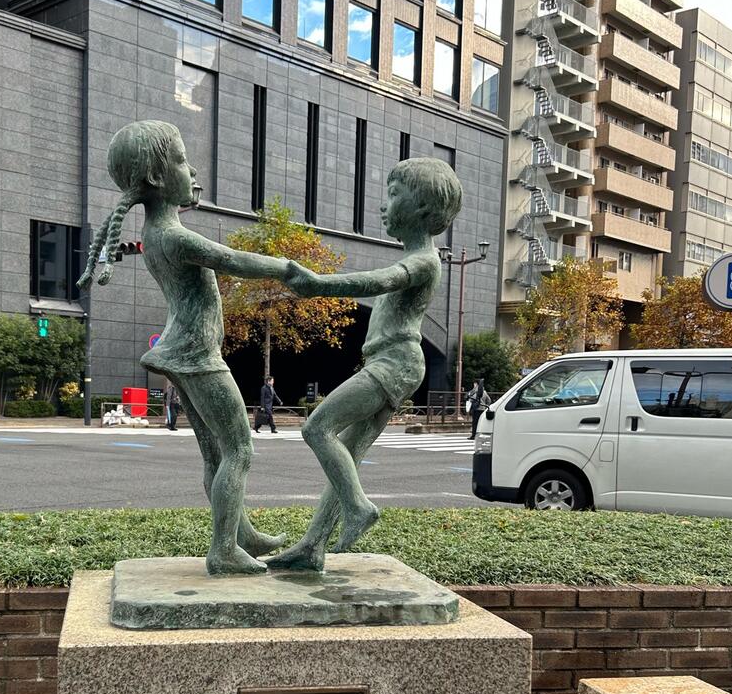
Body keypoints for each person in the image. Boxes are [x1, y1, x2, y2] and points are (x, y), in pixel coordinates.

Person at [78, 120, 300, 575]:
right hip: (198, 355)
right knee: (239, 449)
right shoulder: (174, 236)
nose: (193, 170)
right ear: (156, 177)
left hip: (183, 352)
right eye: (182, 160)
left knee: (215, 454)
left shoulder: (156, 234)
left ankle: (242, 535)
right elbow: (233, 259)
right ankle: (224, 549)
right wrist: (289, 268)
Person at [268, 157, 461, 572]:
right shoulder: (419, 257)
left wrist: (319, 285)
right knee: (348, 456)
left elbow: (379, 280)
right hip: (394, 364)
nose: (383, 205)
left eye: (393, 195)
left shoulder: (423, 261)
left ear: (422, 207)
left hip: (394, 363)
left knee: (316, 428)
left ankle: (358, 506)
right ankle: (312, 546)